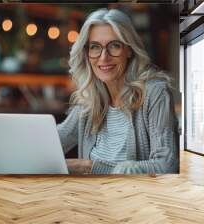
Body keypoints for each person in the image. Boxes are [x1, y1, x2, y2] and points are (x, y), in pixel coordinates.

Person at [57, 8, 179, 175]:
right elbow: (54, 140)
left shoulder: (154, 93)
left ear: (129, 49)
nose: (103, 57)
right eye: (94, 47)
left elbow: (167, 166)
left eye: (114, 46)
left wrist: (89, 167)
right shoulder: (90, 99)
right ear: (86, 53)